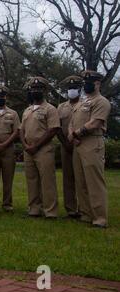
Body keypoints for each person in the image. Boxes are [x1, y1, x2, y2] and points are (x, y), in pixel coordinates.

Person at [69, 70, 111, 228]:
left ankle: (100, 218)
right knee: (81, 181)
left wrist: (76, 134)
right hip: (78, 145)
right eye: (84, 81)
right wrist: (72, 134)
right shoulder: (81, 103)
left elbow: (95, 123)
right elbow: (72, 122)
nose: (85, 84)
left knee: (94, 181)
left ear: (97, 84)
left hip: (92, 143)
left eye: (89, 82)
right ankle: (86, 214)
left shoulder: (101, 102)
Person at [20, 77, 60, 219]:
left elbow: (53, 130)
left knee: (47, 181)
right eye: (33, 89)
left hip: (43, 149)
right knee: (31, 180)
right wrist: (25, 145)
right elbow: (21, 130)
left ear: (44, 91)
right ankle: (34, 209)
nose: (35, 91)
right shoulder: (27, 110)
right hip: (29, 150)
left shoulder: (50, 109)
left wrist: (36, 146)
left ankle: (50, 211)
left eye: (38, 89)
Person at [0, 85, 21, 213]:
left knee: (8, 178)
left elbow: (16, 131)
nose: (0, 98)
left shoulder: (13, 113)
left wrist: (5, 143)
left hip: (8, 150)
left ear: (6, 97)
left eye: (2, 96)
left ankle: (7, 204)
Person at [57, 75, 83, 219]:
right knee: (68, 178)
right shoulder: (61, 107)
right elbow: (57, 128)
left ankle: (85, 208)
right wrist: (65, 143)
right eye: (69, 88)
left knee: (82, 178)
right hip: (66, 146)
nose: (72, 90)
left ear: (80, 89)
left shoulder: (86, 104)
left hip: (82, 145)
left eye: (74, 88)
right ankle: (71, 209)